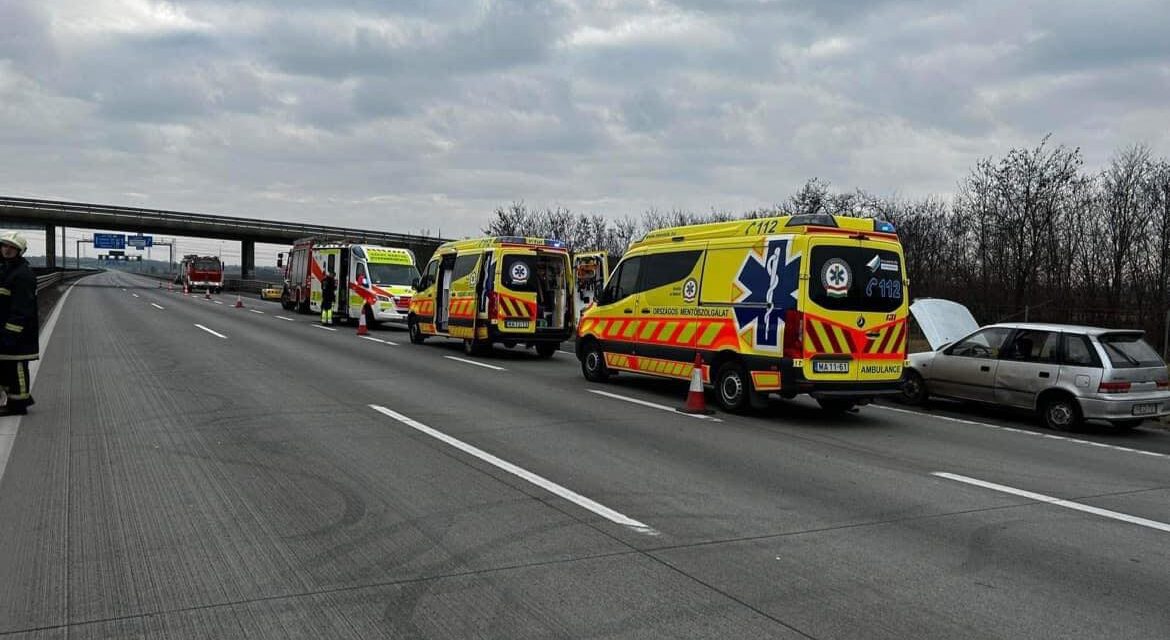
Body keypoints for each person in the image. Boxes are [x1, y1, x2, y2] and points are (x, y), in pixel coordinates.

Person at [0, 231, 38, 415]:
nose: (7, 250)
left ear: (20, 251)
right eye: (5, 246)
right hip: (4, 330)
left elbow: (22, 309)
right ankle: (10, 400)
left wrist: (10, 334)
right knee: (6, 368)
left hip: (18, 334)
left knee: (17, 368)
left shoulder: (23, 275)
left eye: (12, 247)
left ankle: (18, 405)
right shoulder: (5, 269)